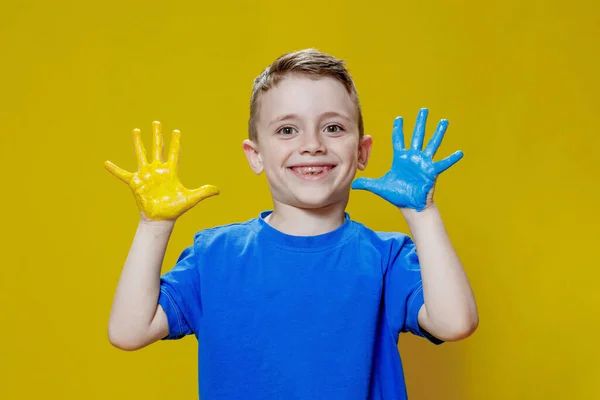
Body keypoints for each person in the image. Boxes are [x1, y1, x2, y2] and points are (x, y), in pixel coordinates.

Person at [104, 48, 478, 400]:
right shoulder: (214, 255)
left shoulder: (388, 257)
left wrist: (422, 214)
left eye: (333, 128)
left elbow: (454, 322)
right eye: (287, 130)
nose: (312, 144)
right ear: (256, 155)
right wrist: (154, 225)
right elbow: (129, 330)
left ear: (362, 152)